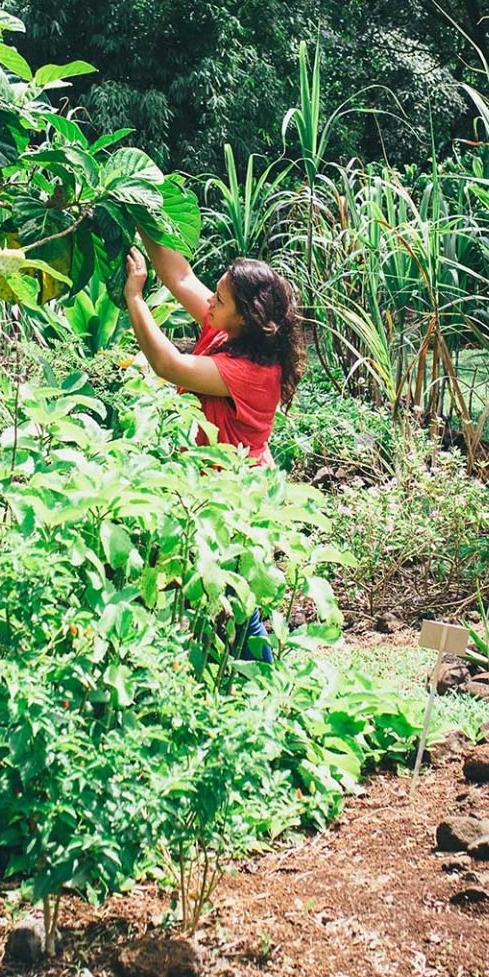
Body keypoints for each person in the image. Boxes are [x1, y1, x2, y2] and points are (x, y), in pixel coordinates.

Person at [123, 235, 306, 663]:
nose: (210, 302)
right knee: (218, 601)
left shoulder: (252, 370)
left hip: (236, 498)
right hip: (217, 489)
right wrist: (143, 214)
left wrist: (135, 296)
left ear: (246, 316)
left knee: (239, 607)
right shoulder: (231, 333)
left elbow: (168, 364)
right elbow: (180, 275)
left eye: (219, 299)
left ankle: (269, 685)